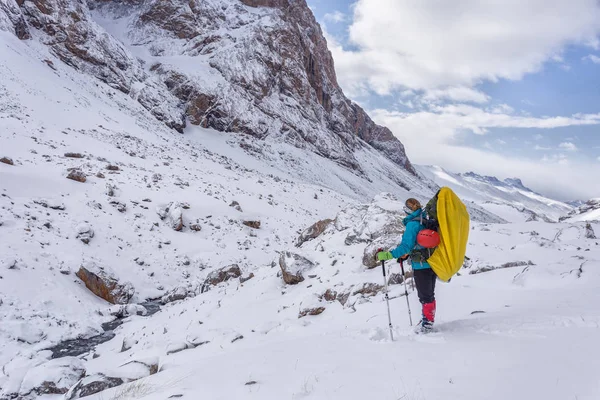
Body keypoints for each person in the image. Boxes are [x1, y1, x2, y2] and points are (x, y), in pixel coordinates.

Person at [376, 198, 437, 333]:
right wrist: (407, 254)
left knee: (425, 296)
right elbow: (420, 243)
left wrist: (388, 255)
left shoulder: (412, 225)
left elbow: (405, 246)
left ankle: (427, 324)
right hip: (432, 262)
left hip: (421, 265)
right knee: (429, 294)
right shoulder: (425, 219)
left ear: (407, 211)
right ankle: (428, 320)